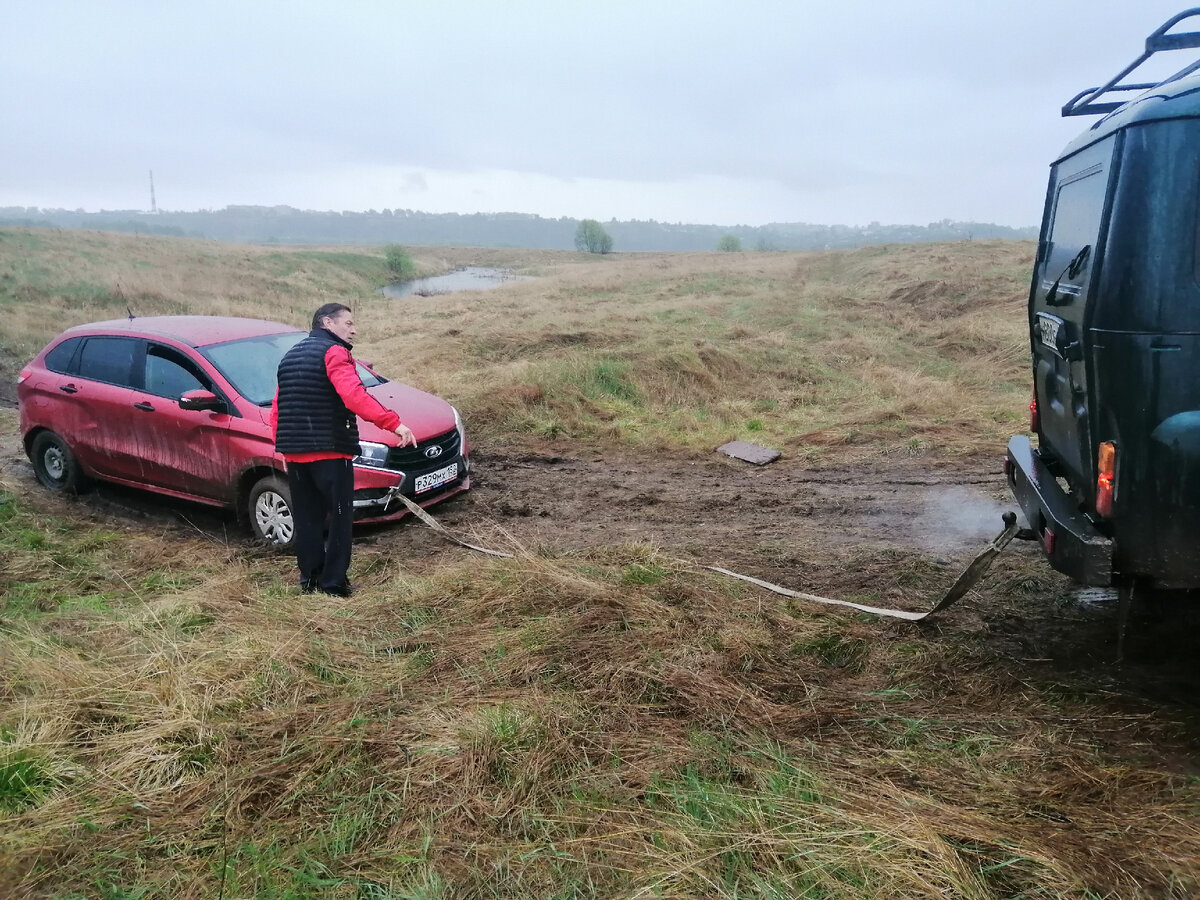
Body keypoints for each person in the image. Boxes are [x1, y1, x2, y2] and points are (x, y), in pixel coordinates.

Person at [271, 303, 415, 596]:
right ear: (327, 323)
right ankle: (334, 584)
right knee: (339, 519)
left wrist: (284, 453)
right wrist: (395, 424)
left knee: (307, 519)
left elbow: (278, 410)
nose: (353, 329)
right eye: (348, 323)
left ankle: (309, 580)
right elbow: (354, 396)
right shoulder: (335, 353)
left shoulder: (289, 357)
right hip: (331, 453)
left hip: (296, 456)